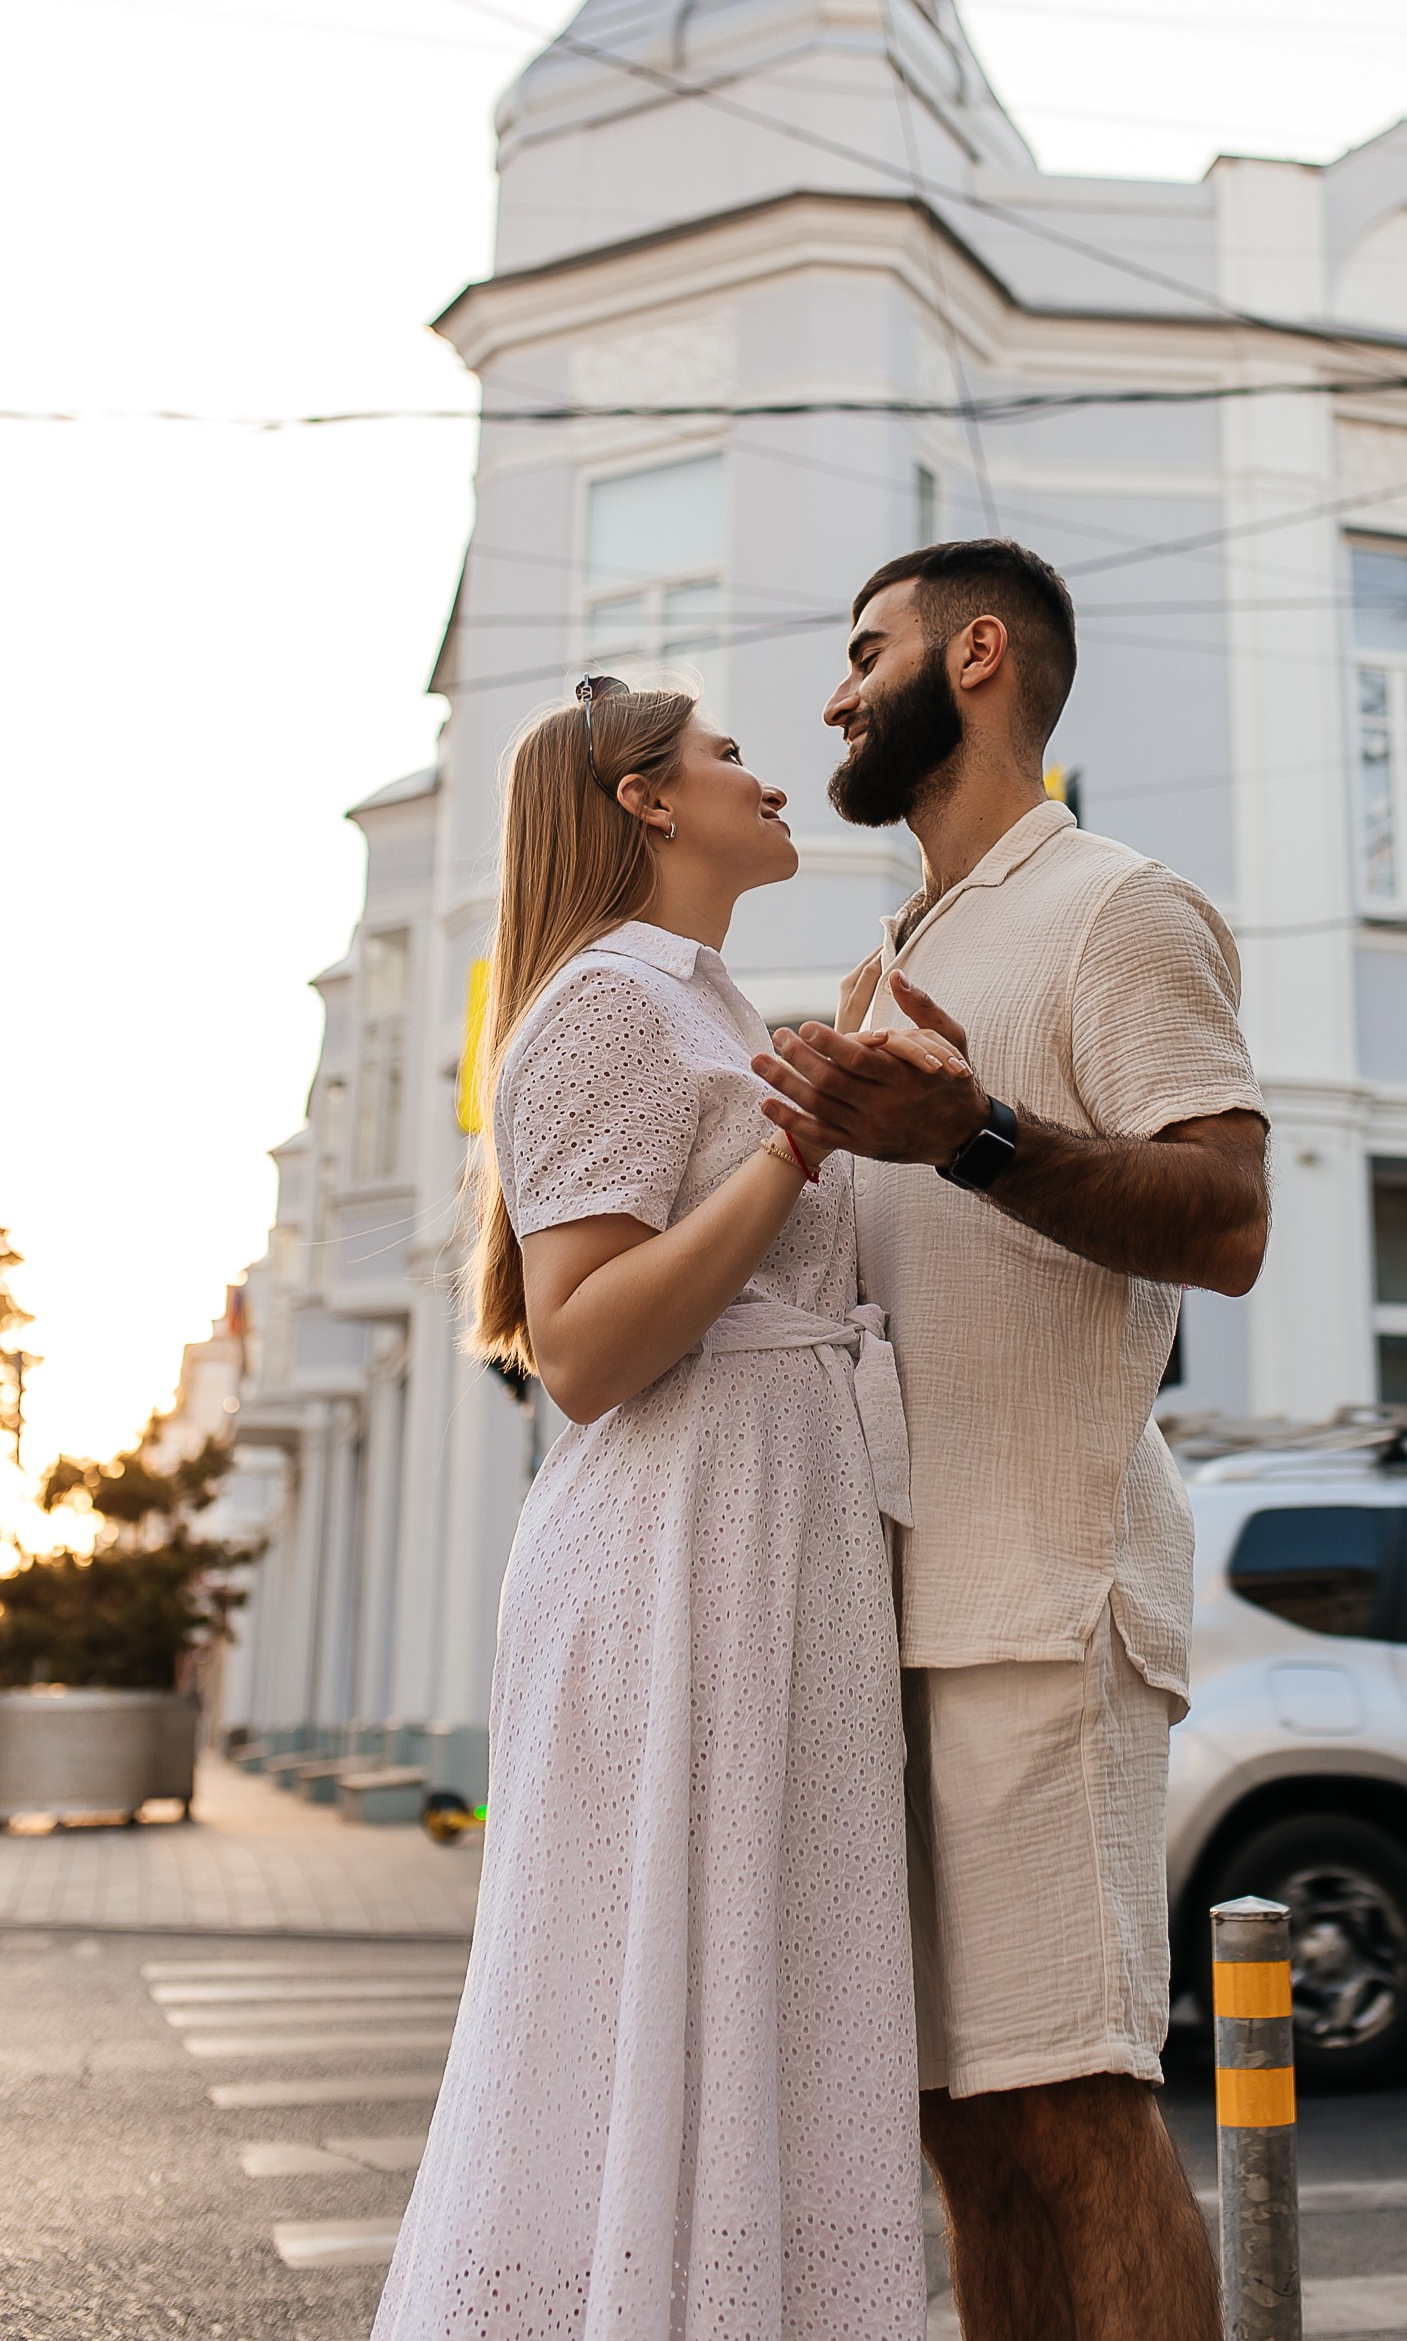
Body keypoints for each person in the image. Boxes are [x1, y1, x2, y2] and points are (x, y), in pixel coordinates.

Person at [374, 678, 957, 2341]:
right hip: (681, 1546)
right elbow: (582, 1346)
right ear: (642, 802)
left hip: (779, 1530)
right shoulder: (601, 1009)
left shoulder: (709, 1009)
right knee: (648, 2000)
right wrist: (795, 1144)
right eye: (722, 756)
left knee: (763, 1991)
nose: (764, 776)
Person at [753, 540, 1272, 2341]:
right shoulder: (889, 954)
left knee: (1072, 2110)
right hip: (885, 1623)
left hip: (1039, 1610)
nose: (833, 695)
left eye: (862, 648)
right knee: (961, 2134)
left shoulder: (1118, 906)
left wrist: (976, 1138)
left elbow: (1227, 1218)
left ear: (976, 657)